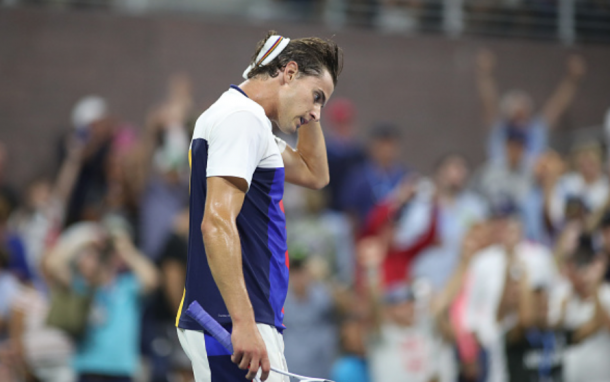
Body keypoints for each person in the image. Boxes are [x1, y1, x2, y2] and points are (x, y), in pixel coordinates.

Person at [174, 31, 342, 382]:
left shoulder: (244, 119)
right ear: (289, 72)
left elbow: (315, 173)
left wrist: (311, 109)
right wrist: (243, 322)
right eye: (316, 97)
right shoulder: (242, 119)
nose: (315, 112)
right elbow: (216, 223)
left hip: (236, 317)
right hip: (229, 320)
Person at [475, 50, 586, 170]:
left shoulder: (536, 130)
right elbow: (488, 103)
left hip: (530, 183)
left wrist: (572, 80)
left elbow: (557, 106)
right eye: (516, 116)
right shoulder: (499, 130)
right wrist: (483, 74)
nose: (519, 122)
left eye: (523, 115)